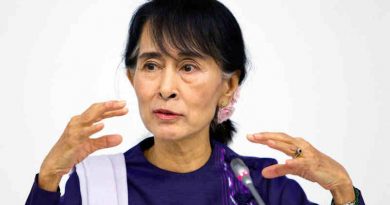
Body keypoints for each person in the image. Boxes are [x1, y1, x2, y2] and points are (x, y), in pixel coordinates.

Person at [25, 0, 365, 204]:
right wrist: (48, 181)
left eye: (188, 66)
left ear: (228, 86)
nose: (166, 87)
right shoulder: (94, 185)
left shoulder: (265, 188)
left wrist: (343, 191)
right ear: (133, 78)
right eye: (151, 66)